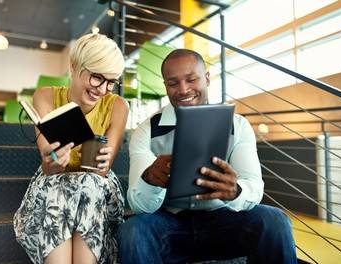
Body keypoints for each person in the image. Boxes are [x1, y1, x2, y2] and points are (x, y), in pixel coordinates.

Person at [117, 49, 297, 263]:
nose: (183, 90)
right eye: (173, 83)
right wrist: (149, 180)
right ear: (166, 86)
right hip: (171, 226)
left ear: (207, 78)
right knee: (133, 230)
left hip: (225, 221)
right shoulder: (146, 131)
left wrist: (235, 191)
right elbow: (139, 206)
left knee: (275, 221)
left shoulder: (237, 125)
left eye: (191, 79)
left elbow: (254, 187)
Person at [13, 33, 128, 264]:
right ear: (74, 67)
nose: (103, 89)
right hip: (54, 184)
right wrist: (52, 160)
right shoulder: (45, 96)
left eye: (111, 81)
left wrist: (102, 161)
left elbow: (102, 173)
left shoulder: (117, 106)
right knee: (61, 186)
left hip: (96, 189)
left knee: (88, 183)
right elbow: (49, 167)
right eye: (97, 78)